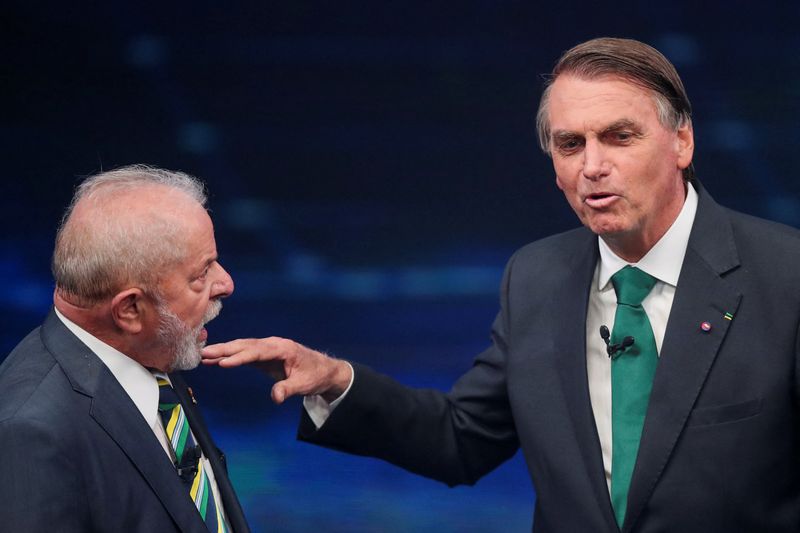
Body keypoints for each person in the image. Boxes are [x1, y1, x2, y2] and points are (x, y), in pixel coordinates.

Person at [202, 37, 800, 532]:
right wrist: (338, 382)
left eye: (619, 136)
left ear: (682, 142)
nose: (592, 165)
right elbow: (462, 439)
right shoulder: (537, 278)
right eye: (570, 145)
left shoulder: (785, 275)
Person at [0, 165, 250, 533]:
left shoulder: (152, 349)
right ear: (130, 310)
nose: (226, 283)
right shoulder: (31, 436)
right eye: (202, 273)